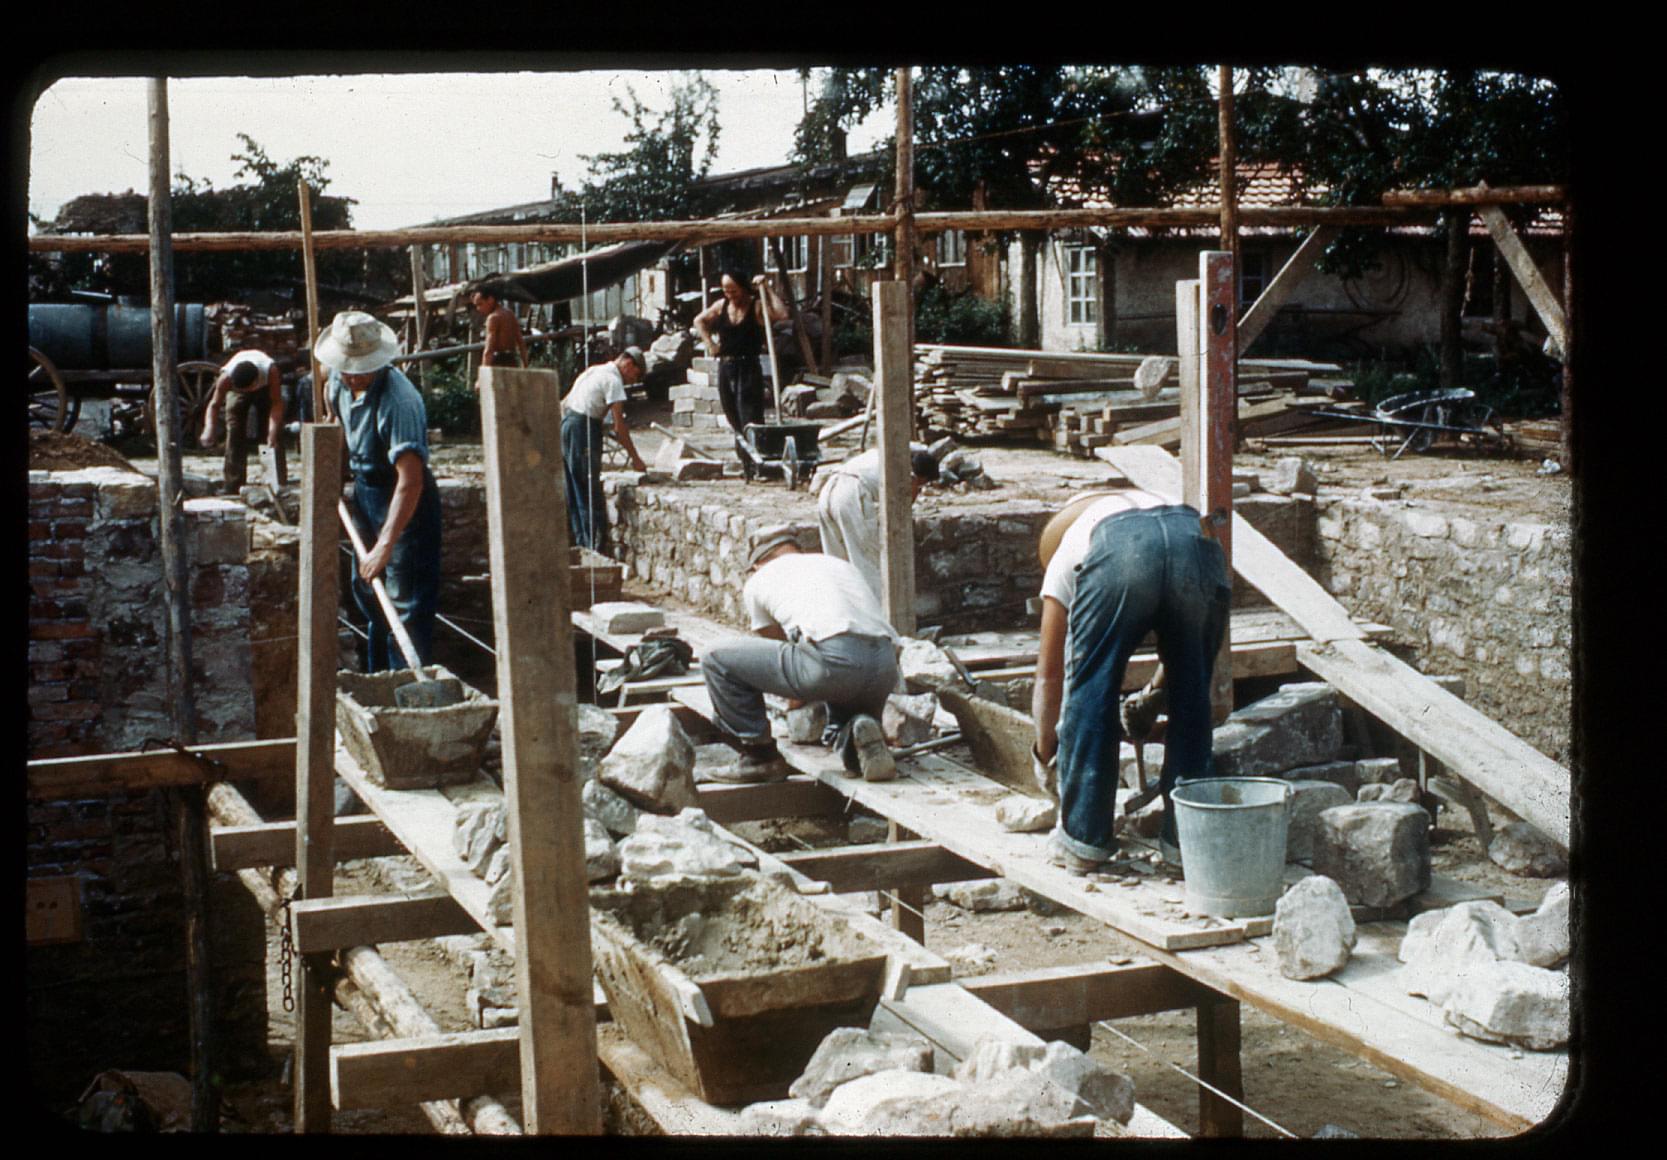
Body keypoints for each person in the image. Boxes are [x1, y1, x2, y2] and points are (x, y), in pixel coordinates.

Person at [1031, 490, 1231, 874]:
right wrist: (1154, 694)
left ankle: (1084, 840)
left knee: (1092, 686)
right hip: (1196, 539)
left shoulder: (1066, 555)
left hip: (1123, 553)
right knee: (1193, 691)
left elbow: (1049, 677)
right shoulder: (1152, 503)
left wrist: (1044, 756)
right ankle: (1185, 845)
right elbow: (1183, 644)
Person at [701, 533, 901, 784]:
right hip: (885, 666)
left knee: (715, 658)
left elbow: (778, 647)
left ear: (757, 564)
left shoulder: (760, 578)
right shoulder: (838, 565)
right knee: (845, 714)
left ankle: (760, 758)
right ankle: (856, 735)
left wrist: (796, 699)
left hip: (833, 662)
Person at [317, 310, 442, 674]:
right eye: (347, 367)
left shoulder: (399, 401)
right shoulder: (337, 381)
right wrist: (334, 481)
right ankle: (378, 681)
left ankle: (407, 687)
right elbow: (337, 428)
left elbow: (410, 480)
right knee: (370, 596)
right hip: (365, 493)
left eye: (361, 369)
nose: (352, 375)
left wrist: (385, 546)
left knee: (405, 605)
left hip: (405, 503)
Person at [816, 443, 939, 602]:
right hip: (850, 496)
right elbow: (905, 503)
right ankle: (877, 614)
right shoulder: (905, 473)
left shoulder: (882, 453)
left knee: (837, 563)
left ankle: (843, 609)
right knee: (870, 565)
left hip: (828, 490)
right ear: (921, 477)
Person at [692, 272, 788, 462]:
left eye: (734, 291)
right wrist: (710, 344)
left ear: (744, 289)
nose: (730, 295)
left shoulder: (756, 306)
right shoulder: (721, 306)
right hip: (726, 367)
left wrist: (767, 288)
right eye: (726, 291)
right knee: (732, 414)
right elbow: (698, 320)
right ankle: (745, 459)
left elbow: (782, 314)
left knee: (749, 415)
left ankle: (757, 459)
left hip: (748, 366)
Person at [561, 347, 649, 550]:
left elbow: (565, 403)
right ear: (628, 364)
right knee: (589, 491)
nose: (631, 381)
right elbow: (620, 428)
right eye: (634, 376)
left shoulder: (594, 370)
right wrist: (636, 459)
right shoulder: (613, 381)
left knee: (574, 489)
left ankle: (582, 543)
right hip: (582, 429)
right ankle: (594, 547)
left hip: (568, 424)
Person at [198, 348, 285, 494]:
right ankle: (233, 483)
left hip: (264, 389)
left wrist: (272, 433)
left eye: (249, 389)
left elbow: (277, 404)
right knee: (234, 430)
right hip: (237, 389)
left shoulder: (271, 371)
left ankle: (276, 480)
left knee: (271, 436)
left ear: (256, 382)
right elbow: (214, 405)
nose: (248, 393)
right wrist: (209, 428)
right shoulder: (226, 378)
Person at [471, 286, 529, 374]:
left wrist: (483, 375)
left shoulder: (493, 318)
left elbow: (489, 349)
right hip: (512, 361)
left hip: (497, 363)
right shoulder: (510, 314)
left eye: (480, 304)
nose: (478, 309)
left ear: (490, 300)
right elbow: (521, 343)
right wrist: (525, 366)